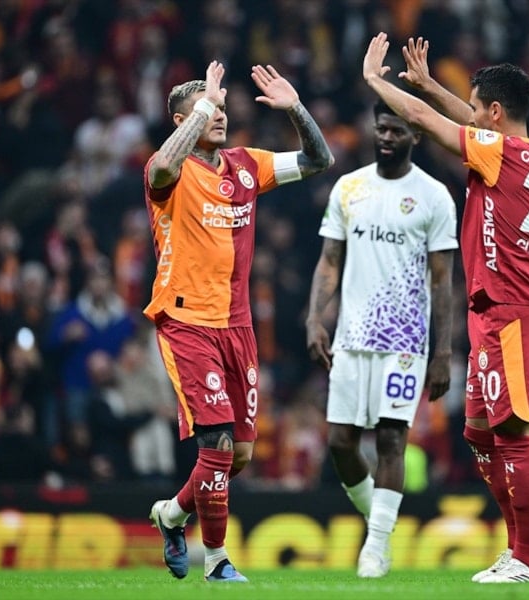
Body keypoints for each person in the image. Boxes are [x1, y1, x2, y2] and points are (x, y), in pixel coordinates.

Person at [362, 34, 529, 583]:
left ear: (495, 113)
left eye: (475, 107)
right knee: (478, 433)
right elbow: (458, 119)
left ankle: (525, 557)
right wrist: (428, 84)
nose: (468, 115)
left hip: (514, 310)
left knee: (513, 434)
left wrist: (375, 80)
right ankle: (521, 548)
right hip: (493, 309)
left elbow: (424, 122)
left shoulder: (500, 154)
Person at [144, 60, 333, 583]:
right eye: (209, 110)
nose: (221, 115)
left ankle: (172, 514)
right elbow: (161, 168)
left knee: (239, 455)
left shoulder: (247, 165)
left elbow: (320, 159)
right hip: (186, 320)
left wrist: (296, 109)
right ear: (183, 120)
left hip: (239, 326)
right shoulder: (168, 171)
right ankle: (217, 560)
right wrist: (203, 103)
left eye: (223, 107)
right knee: (218, 445)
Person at [305, 100, 458, 578]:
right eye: (381, 128)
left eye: (396, 130)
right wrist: (314, 318)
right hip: (352, 335)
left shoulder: (434, 196)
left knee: (392, 438)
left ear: (416, 135)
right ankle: (382, 526)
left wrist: (443, 351)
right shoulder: (349, 187)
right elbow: (329, 260)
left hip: (405, 339)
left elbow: (442, 281)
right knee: (340, 443)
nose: (387, 137)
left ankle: (374, 548)